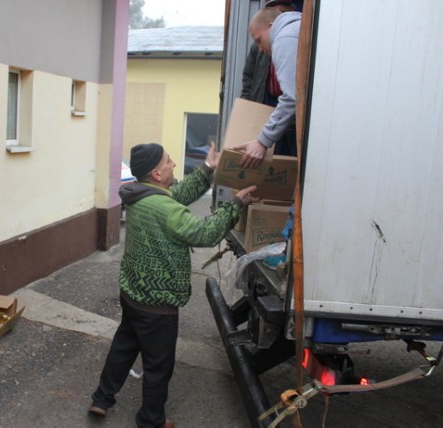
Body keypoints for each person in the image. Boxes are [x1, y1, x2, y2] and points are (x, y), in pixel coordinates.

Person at [89, 143, 258, 428]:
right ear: (156, 173)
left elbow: (177, 195)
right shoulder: (163, 208)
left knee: (123, 347)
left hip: (133, 293)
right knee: (158, 367)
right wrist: (236, 205)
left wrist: (207, 168)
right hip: (158, 305)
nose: (174, 165)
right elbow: (205, 233)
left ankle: (101, 399)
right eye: (168, 162)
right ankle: (151, 420)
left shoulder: (139, 195)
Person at [237, 7, 302, 168]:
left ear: (272, 25)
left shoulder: (284, 38)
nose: (259, 48)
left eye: (259, 40)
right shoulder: (296, 28)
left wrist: (262, 142)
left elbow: (291, 97)